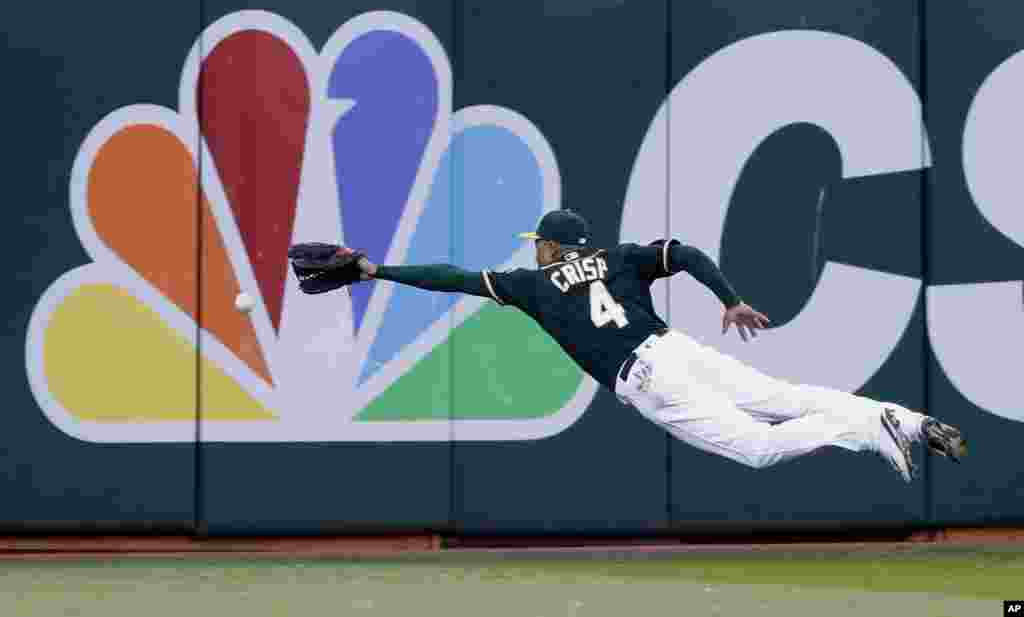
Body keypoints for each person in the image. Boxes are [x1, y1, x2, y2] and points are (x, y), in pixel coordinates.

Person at [356, 209, 966, 482]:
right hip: (676, 348)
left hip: (646, 375)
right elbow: (686, 253)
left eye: (537, 243)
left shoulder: (532, 283)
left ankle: (870, 433)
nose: (534, 250)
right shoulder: (618, 256)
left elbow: (451, 278)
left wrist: (376, 271)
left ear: (547, 247)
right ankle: (903, 420)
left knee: (757, 449)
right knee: (783, 396)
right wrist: (728, 299)